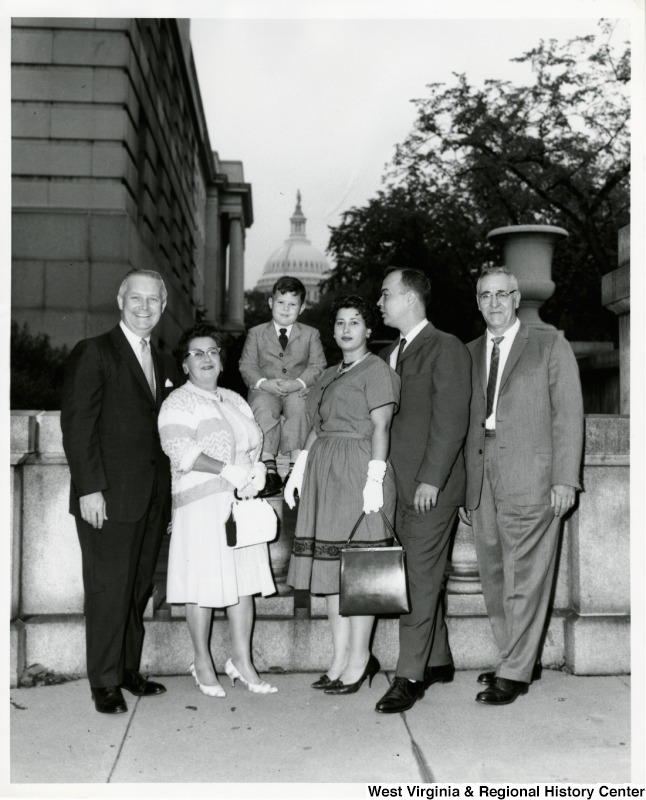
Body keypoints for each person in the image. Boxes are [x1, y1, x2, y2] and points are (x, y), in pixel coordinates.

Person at [459, 266, 584, 705]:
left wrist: (565, 479)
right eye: (485, 296)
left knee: (526, 572)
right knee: (493, 570)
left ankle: (514, 671)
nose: (494, 303)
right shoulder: (470, 351)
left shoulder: (549, 344)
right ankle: (515, 657)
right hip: (482, 472)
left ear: (515, 298)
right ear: (477, 302)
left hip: (532, 473)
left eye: (502, 294)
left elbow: (568, 415)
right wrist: (463, 483)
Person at [60, 269, 175, 715]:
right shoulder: (94, 352)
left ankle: (128, 669)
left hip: (150, 499)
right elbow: (78, 426)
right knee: (109, 589)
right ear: (120, 300)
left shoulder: (163, 362)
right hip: (106, 499)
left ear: (163, 308)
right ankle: (104, 682)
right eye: (136, 298)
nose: (144, 307)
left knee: (138, 587)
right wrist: (90, 490)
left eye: (153, 301)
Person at [285, 296, 400, 695]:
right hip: (325, 472)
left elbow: (381, 426)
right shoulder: (330, 373)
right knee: (330, 574)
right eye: (340, 322)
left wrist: (375, 477)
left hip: (359, 469)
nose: (346, 329)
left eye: (355, 322)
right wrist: (299, 468)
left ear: (368, 330)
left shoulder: (376, 371)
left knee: (360, 576)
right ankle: (338, 659)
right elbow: (317, 425)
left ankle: (359, 660)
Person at [158, 322, 278, 697]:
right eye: (197, 353)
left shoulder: (234, 399)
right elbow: (181, 451)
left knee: (242, 585)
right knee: (204, 584)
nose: (206, 359)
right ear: (185, 365)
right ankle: (202, 660)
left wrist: (257, 471)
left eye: (212, 352)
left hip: (239, 505)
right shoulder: (178, 402)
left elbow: (254, 444)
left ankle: (241, 662)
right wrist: (228, 470)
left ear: (221, 361)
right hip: (202, 506)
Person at [374, 268, 471, 714]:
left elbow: (451, 422)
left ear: (411, 298)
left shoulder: (445, 347)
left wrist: (431, 479)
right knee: (422, 575)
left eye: (386, 294)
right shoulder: (393, 352)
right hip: (399, 486)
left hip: (430, 488)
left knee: (416, 578)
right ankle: (437, 660)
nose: (380, 302)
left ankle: (408, 675)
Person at [239, 276, 327, 497]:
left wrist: (298, 382)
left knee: (300, 407)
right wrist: (263, 383)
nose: (286, 309)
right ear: (270, 303)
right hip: (266, 390)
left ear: (302, 307)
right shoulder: (256, 333)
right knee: (263, 408)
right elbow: (247, 364)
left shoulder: (310, 334)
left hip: (297, 389)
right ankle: (268, 466)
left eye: (292, 304)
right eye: (281, 302)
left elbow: (318, 365)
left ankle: (296, 467)